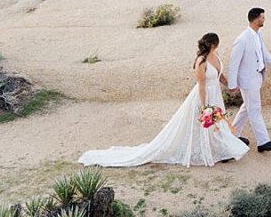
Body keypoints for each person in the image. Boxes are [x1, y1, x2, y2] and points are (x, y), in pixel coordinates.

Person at [78, 32, 249, 167]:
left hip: (216, 94)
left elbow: (219, 76)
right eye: (217, 43)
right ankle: (213, 151)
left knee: (218, 123)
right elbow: (202, 86)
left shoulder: (216, 56)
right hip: (203, 97)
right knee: (205, 124)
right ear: (213, 44)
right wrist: (204, 106)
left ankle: (221, 149)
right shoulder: (201, 62)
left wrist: (230, 86)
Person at [228, 7, 271, 153]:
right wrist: (232, 85)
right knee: (255, 109)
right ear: (256, 19)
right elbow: (234, 63)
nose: (264, 19)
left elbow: (264, 53)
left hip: (257, 77)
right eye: (262, 17)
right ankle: (263, 142)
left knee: (246, 108)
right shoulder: (242, 39)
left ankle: (232, 134)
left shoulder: (258, 35)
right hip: (248, 81)